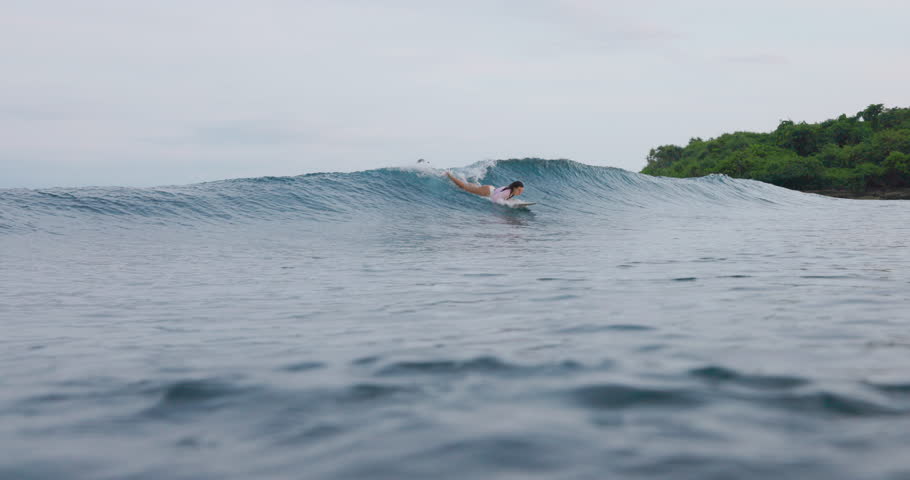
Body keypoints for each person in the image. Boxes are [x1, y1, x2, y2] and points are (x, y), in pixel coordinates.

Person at [446, 172, 524, 203]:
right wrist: (503, 203)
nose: (520, 192)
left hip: (490, 189)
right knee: (463, 187)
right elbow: (494, 198)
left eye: (521, 191)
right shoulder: (507, 192)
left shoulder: (510, 191)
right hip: (488, 191)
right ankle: (449, 175)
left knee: (469, 186)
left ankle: (461, 178)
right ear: (514, 188)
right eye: (519, 190)